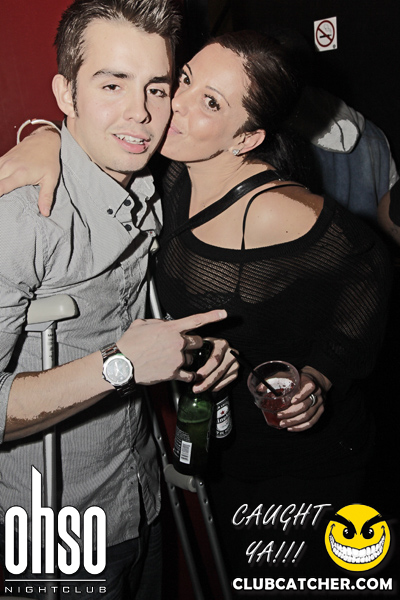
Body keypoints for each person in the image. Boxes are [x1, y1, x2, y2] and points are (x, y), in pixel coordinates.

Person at [0, 29, 393, 593]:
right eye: (183, 81)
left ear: (246, 138)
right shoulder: (167, 172)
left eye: (210, 102)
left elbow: (369, 266)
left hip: (302, 463)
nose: (174, 105)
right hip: (225, 449)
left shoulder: (271, 209)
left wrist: (323, 373)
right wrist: (44, 138)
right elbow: (91, 143)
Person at [0, 2, 238, 599]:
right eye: (112, 84)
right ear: (67, 93)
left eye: (156, 88)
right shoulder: (21, 220)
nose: (141, 112)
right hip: (54, 529)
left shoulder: (152, 186)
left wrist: (187, 350)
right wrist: (121, 365)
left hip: (139, 500)